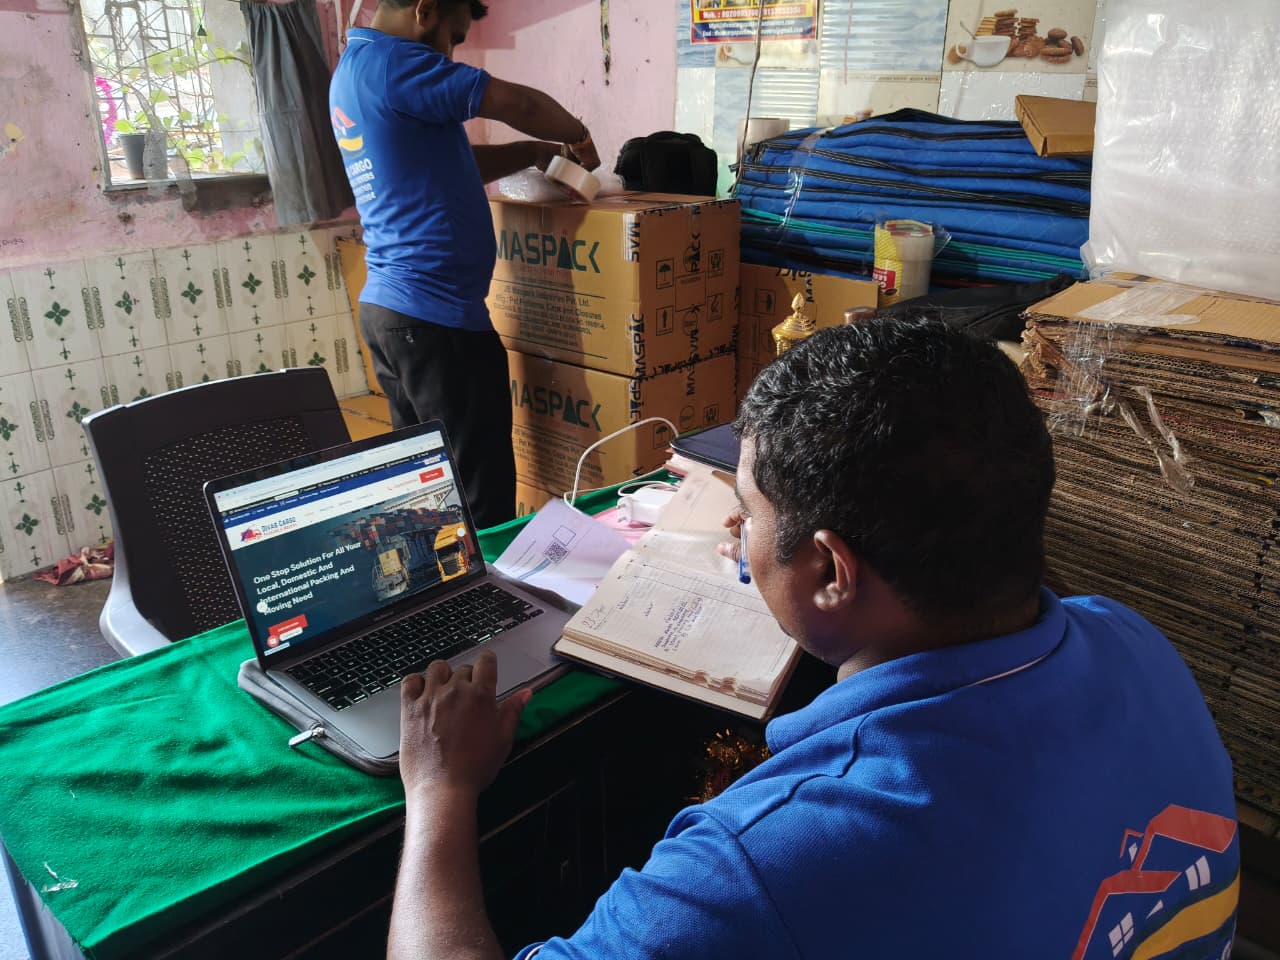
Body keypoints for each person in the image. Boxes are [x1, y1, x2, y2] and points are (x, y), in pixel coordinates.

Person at [389, 319, 1240, 959]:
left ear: (833, 571)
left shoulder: (760, 867)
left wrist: (440, 790)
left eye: (748, 510)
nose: (736, 528)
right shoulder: (1136, 644)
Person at [330, 0, 601, 529]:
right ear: (425, 11)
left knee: (430, 489)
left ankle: (439, 579)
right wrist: (579, 136)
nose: (453, 54)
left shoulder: (356, 70)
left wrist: (532, 152)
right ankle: (488, 586)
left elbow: (452, 162)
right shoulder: (400, 64)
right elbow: (519, 102)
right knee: (482, 498)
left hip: (394, 315)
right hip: (438, 323)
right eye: (455, 36)